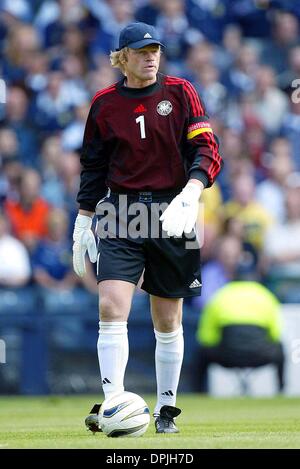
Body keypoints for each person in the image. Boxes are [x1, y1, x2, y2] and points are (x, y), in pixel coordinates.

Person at [72, 22, 222, 434]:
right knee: (110, 307)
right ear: (122, 58)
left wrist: (192, 191)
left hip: (174, 207)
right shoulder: (104, 103)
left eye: (154, 49)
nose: (150, 56)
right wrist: (84, 217)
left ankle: (166, 410)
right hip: (120, 211)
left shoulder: (180, 91)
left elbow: (206, 147)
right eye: (140, 51)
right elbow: (94, 165)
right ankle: (114, 402)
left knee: (167, 318)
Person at [194, 281, 285, 394]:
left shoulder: (220, 295)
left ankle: (199, 392)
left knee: (202, 352)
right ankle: (281, 390)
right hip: (260, 356)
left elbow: (206, 337)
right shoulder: (265, 295)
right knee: (280, 348)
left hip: (228, 356)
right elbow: (275, 335)